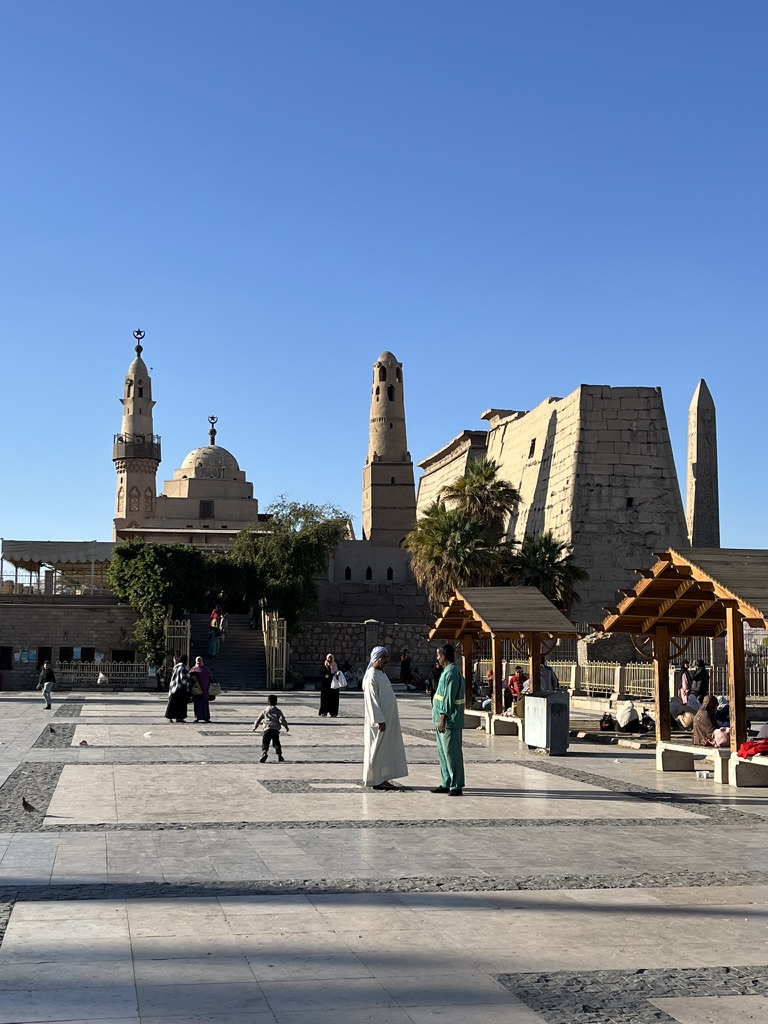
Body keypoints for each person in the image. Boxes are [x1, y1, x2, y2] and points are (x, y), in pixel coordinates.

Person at [362, 645, 408, 790]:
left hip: (387, 721)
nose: (386, 660)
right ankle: (375, 779)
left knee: (385, 750)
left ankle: (383, 777)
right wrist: (379, 719)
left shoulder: (381, 674)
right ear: (376, 659)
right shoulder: (371, 676)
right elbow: (371, 701)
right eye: (384, 657)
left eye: (387, 657)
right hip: (379, 723)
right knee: (377, 750)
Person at [431, 643, 466, 796]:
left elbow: (449, 698)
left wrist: (443, 718)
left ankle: (456, 784)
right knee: (443, 753)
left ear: (443, 657)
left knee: (452, 754)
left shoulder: (452, 673)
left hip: (449, 721)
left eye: (438, 656)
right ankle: (446, 782)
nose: (437, 659)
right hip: (441, 720)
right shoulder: (446, 672)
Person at [253, 693, 289, 762]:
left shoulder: (265, 710)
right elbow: (282, 719)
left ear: (268, 701)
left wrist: (255, 726)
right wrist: (286, 726)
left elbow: (259, 719)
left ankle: (264, 752)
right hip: (275, 729)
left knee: (265, 742)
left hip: (267, 729)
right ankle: (279, 755)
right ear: (276, 702)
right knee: (276, 743)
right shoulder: (278, 711)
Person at [164, 654, 190, 723]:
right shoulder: (182, 667)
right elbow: (183, 678)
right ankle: (179, 717)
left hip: (174, 688)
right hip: (180, 688)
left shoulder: (176, 667)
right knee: (181, 704)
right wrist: (188, 685)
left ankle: (171, 717)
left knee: (173, 703)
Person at [189, 655, 212, 723]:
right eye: (197, 660)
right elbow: (189, 677)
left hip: (205, 689)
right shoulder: (193, 669)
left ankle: (206, 717)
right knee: (197, 703)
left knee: (205, 703)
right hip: (197, 690)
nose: (198, 662)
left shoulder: (206, 669)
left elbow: (210, 677)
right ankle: (197, 717)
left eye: (200, 660)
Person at [319, 653, 341, 717]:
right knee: (325, 699)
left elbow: (338, 672)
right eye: (329, 657)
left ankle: (333, 712)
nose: (330, 659)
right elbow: (321, 673)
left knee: (334, 699)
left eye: (331, 658)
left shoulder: (335, 665)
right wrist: (326, 667)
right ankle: (324, 712)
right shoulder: (324, 665)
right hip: (326, 685)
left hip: (334, 685)